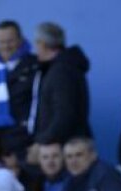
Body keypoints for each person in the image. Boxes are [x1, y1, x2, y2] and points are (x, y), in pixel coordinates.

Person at [28, 22, 92, 161]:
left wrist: (42, 142)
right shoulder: (64, 68)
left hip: (64, 150)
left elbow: (64, 115)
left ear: (43, 44)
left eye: (37, 44)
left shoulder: (61, 72)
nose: (35, 49)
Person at [0, 20, 38, 158]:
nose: (6, 46)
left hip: (26, 140)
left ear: (21, 39)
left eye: (10, 41)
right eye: (1, 42)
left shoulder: (36, 64)